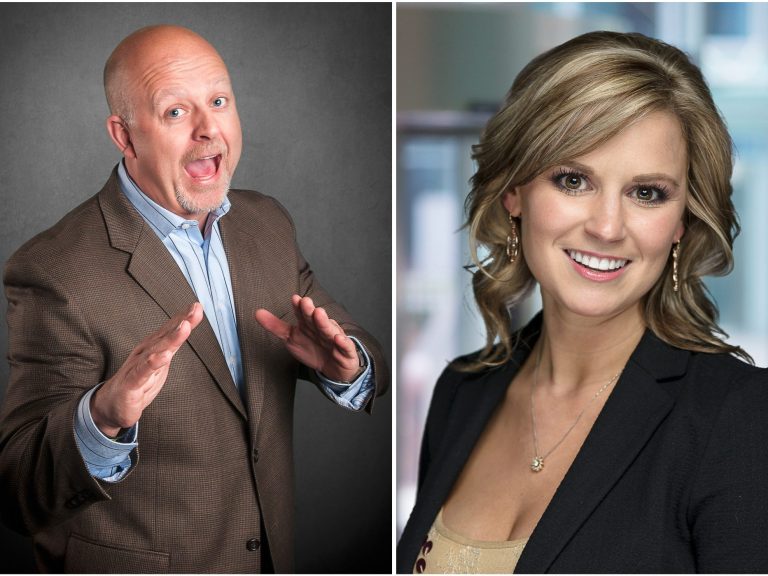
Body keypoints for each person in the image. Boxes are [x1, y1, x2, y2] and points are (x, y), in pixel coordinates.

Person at [0, 25, 388, 573]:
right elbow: (17, 488)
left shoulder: (266, 222)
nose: (209, 129)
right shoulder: (54, 270)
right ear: (125, 136)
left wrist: (348, 367)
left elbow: (359, 348)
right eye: (176, 112)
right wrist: (101, 418)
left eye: (219, 101)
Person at [397, 30, 768, 573]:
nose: (607, 227)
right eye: (573, 180)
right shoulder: (462, 391)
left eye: (647, 193)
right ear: (514, 191)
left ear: (682, 222)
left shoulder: (741, 416)